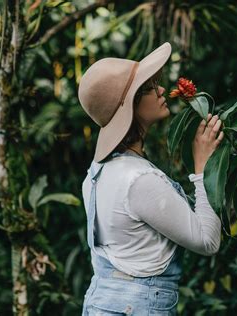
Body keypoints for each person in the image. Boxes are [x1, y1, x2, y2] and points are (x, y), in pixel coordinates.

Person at [77, 42, 224, 315]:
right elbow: (207, 241)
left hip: (103, 302)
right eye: (146, 89)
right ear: (129, 108)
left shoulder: (96, 174)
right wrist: (204, 166)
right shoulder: (139, 179)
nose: (159, 90)